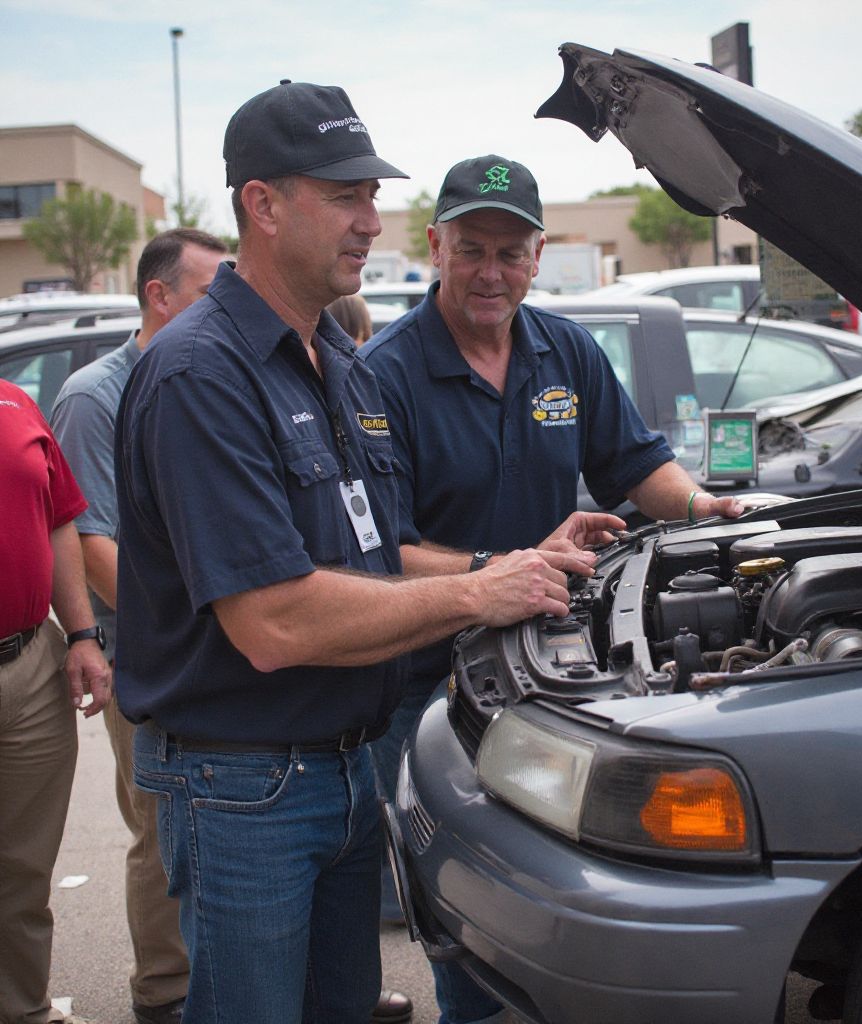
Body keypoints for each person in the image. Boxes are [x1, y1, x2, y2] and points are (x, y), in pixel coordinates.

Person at [113, 83, 575, 1024]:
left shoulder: (338, 359)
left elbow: (376, 558)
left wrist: (518, 567)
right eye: (344, 195)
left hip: (346, 765)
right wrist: (479, 596)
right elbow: (276, 621)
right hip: (243, 786)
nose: (372, 220)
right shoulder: (203, 375)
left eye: (372, 193)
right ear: (264, 204)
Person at [359, 154, 744, 1024]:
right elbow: (378, 554)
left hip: (543, 673)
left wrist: (701, 506)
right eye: (471, 250)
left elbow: (636, 465)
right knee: (464, 910)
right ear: (436, 247)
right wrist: (499, 572)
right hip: (420, 686)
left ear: (538, 255)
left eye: (510, 252)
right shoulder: (382, 374)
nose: (491, 273)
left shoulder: (563, 349)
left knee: (545, 879)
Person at [51, 228, 228, 1024]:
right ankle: (166, 993)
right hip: (148, 656)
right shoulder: (97, 395)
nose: (224, 303)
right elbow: (92, 547)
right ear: (160, 296)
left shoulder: (204, 373)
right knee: (162, 829)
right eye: (207, 289)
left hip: (216, 645)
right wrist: (199, 626)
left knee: (211, 828)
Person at [0, 379, 112, 1024]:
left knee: (22, 868)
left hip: (29, 661)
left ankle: (22, 1008)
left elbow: (61, 521)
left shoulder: (17, 402)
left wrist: (82, 636)